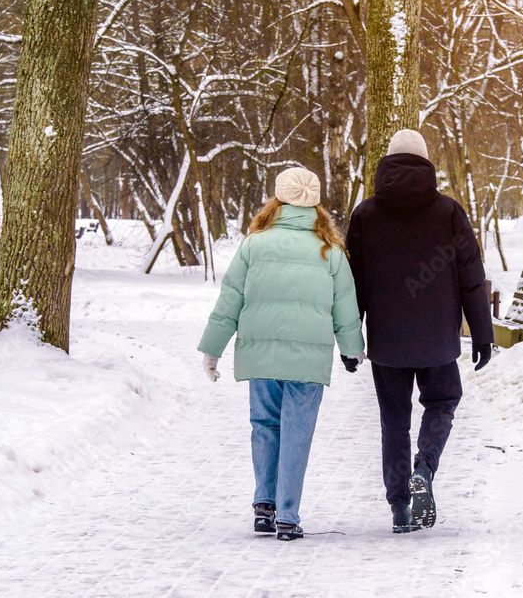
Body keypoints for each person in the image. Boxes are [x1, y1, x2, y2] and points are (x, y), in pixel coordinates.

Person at [198, 167, 365, 541]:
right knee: (297, 433)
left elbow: (230, 300)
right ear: (315, 204)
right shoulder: (331, 250)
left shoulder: (254, 244)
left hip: (262, 355)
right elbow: (345, 306)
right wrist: (352, 351)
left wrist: (213, 349)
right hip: (308, 359)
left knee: (265, 426)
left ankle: (264, 506)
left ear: (277, 200)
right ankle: (288, 516)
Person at [346, 129, 493, 534]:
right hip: (437, 339)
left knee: (394, 420)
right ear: (427, 163)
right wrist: (482, 333)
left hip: (387, 341)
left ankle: (399, 507)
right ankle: (424, 469)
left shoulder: (365, 214)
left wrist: (348, 339)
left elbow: (351, 283)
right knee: (443, 401)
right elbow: (471, 277)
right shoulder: (448, 211)